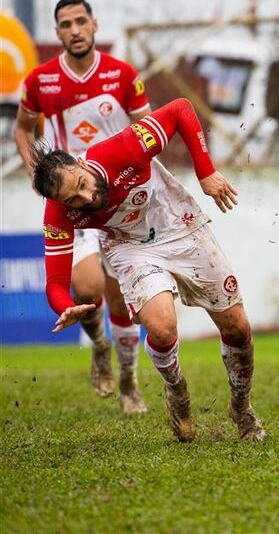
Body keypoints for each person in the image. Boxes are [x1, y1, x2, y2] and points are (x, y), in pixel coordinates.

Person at [34, 98, 265, 442]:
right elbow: (55, 279)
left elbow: (181, 109)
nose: (86, 197)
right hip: (130, 247)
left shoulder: (124, 147)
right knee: (160, 327)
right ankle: (178, 393)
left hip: (181, 225)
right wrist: (62, 306)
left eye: (82, 184)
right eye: (73, 200)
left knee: (238, 327)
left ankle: (241, 408)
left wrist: (206, 172)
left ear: (82, 163)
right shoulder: (58, 214)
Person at [13, 0, 149, 413]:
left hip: (115, 195)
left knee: (123, 300)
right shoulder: (41, 81)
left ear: (94, 25)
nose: (74, 30)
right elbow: (22, 129)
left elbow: (147, 125)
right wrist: (38, 175)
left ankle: (129, 382)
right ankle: (99, 344)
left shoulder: (122, 75)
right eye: (65, 24)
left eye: (80, 22)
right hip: (75, 201)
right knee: (86, 291)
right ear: (57, 33)